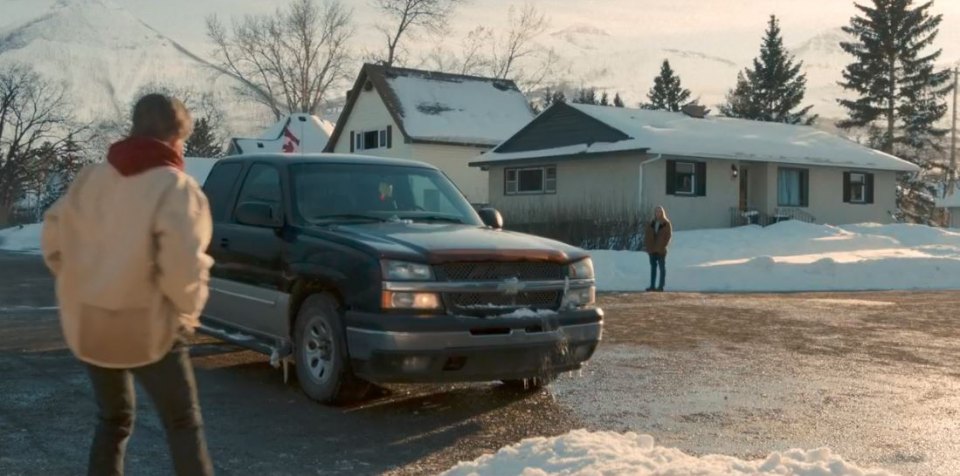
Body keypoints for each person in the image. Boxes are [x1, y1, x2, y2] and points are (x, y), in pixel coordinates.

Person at [41, 94, 215, 476]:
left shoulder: (90, 178)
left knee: (113, 420)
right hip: (149, 331)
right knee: (183, 423)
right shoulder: (175, 188)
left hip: (91, 328)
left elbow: (53, 241)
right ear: (176, 138)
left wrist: (79, 285)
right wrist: (188, 311)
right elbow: (183, 268)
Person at [643, 206, 672, 292]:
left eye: (659, 211)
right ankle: (652, 285)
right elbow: (647, 235)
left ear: (662, 213)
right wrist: (647, 246)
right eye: (656, 211)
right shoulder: (651, 223)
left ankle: (661, 286)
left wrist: (663, 245)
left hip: (661, 249)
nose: (658, 213)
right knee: (653, 268)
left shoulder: (666, 223)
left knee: (662, 268)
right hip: (652, 249)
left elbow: (668, 236)